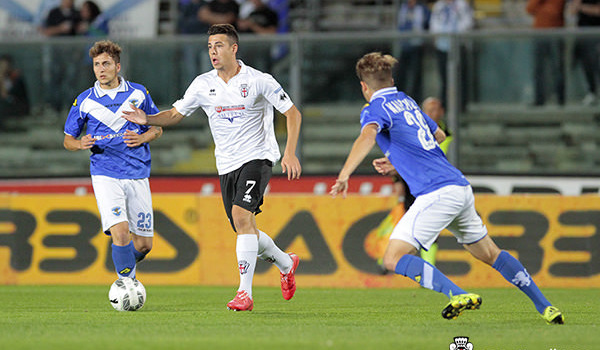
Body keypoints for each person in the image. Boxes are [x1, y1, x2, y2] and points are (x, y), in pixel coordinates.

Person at [330, 52, 564, 324]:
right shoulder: (407, 102)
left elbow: (367, 136)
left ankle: (457, 294)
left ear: (364, 87)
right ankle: (546, 307)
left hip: (436, 192)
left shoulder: (374, 109)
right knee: (490, 253)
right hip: (459, 187)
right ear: (391, 79)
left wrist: (345, 173)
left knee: (393, 258)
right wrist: (399, 161)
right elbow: (438, 136)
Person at [122, 24, 302, 312]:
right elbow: (175, 114)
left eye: (218, 45)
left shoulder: (259, 80)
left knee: (242, 217)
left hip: (257, 157)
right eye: (209, 47)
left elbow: (292, 113)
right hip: (226, 165)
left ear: (234, 48)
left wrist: (290, 151)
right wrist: (148, 120)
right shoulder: (203, 84)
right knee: (246, 229)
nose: (213, 51)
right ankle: (285, 262)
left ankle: (245, 293)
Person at [63, 40, 163, 282]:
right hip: (105, 172)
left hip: (138, 172)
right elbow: (68, 140)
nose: (100, 68)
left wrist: (142, 138)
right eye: (96, 64)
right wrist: (80, 144)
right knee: (120, 233)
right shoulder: (85, 100)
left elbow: (157, 128)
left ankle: (123, 261)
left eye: (106, 63)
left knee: (144, 245)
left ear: (117, 66)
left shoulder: (138, 93)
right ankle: (126, 284)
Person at [374, 97, 449, 272]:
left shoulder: (446, 135)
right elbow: (402, 158)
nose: (431, 114)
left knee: (430, 226)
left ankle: (426, 267)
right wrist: (398, 184)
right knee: (404, 223)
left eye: (434, 109)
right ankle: (386, 260)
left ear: (442, 112)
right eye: (427, 110)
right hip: (413, 184)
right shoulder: (414, 130)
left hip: (436, 184)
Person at [429, 0, 473, 110]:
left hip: (458, 45)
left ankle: (461, 106)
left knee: (460, 76)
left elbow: (468, 22)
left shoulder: (461, 5)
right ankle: (445, 105)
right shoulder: (439, 6)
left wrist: (454, 32)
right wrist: (443, 32)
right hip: (442, 46)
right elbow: (433, 24)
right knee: (444, 77)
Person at [41, 0, 82, 112]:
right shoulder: (54, 13)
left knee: (71, 81)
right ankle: (55, 108)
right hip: (56, 53)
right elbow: (46, 31)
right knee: (55, 79)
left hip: (71, 54)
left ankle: (70, 108)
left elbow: (81, 32)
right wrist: (60, 28)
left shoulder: (76, 13)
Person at [526, 0, 566, 106]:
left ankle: (560, 100)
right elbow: (529, 9)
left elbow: (554, 12)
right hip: (539, 34)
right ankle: (539, 100)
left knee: (557, 68)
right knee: (538, 69)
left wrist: (540, 10)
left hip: (555, 33)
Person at [396, 0, 430, 104]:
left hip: (417, 46)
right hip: (404, 46)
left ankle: (415, 100)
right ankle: (399, 99)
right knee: (401, 74)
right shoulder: (402, 8)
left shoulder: (422, 9)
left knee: (416, 74)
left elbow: (426, 24)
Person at [570, 0, 600, 105]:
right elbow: (572, 11)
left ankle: (594, 92)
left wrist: (581, 7)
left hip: (594, 34)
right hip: (581, 35)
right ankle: (591, 92)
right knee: (582, 64)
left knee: (594, 64)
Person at [0, 54, 30, 121]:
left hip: (18, 107)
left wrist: (1, 79)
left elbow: (5, 96)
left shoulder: (16, 79)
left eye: (5, 66)